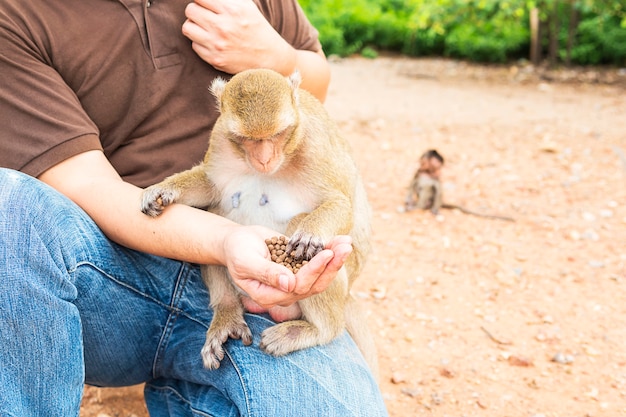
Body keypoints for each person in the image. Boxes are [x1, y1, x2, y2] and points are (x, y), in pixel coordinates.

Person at [0, 0, 388, 415]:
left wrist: (276, 57)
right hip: (108, 270)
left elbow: (315, 86)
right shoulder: (17, 15)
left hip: (264, 274)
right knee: (10, 202)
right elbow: (85, 184)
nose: (262, 157)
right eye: (247, 142)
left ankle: (200, 391)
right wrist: (222, 241)